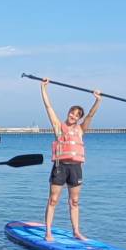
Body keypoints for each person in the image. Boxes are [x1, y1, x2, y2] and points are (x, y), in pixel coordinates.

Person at [40, 77, 101, 241]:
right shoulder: (59, 127)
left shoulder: (81, 130)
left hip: (75, 169)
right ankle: (48, 232)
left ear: (79, 118)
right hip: (60, 167)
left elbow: (91, 115)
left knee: (74, 201)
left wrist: (97, 100)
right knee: (53, 200)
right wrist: (44, 89)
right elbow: (48, 107)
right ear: (68, 113)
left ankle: (76, 231)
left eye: (76, 115)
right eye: (72, 113)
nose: (73, 116)